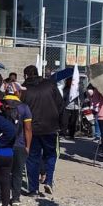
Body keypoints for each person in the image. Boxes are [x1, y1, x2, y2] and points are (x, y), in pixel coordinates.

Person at [22, 65, 63, 196]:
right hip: (50, 126)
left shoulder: (24, 89)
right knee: (51, 154)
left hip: (31, 128)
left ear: (26, 75)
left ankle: (33, 188)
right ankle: (48, 181)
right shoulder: (50, 85)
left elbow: (20, 109)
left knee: (32, 158)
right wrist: (61, 124)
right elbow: (60, 104)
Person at [3, 93, 32, 206]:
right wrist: (28, 146)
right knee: (18, 172)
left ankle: (0, 197)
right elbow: (28, 129)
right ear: (17, 93)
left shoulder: (1, 105)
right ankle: (15, 198)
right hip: (20, 144)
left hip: (4, 143)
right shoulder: (24, 107)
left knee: (4, 172)